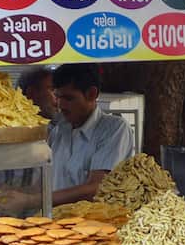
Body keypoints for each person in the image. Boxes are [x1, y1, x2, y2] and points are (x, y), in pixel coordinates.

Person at [47, 64, 134, 204]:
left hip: (94, 222)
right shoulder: (57, 130)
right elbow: (45, 180)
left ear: (92, 94)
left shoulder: (114, 129)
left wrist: (38, 199)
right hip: (55, 221)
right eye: (57, 97)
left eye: (69, 98)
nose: (60, 105)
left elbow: (97, 187)